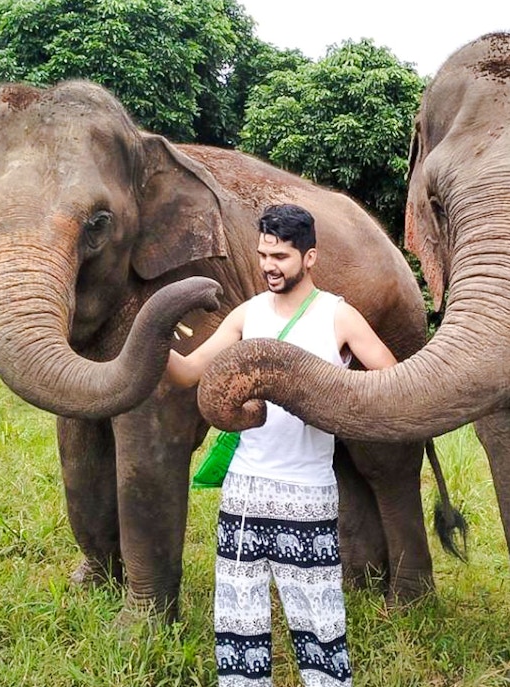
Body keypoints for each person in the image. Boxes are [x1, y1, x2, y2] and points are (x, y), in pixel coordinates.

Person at [167, 203, 396, 687]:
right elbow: (190, 372)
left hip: (307, 494)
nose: (269, 266)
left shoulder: (339, 317)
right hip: (245, 493)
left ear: (309, 258)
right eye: (263, 255)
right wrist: (154, 336)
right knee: (239, 623)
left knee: (319, 623)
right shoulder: (248, 314)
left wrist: (341, 399)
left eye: (281, 257)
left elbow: (391, 379)